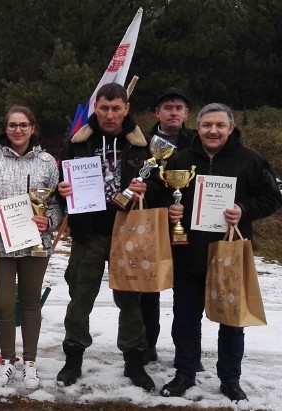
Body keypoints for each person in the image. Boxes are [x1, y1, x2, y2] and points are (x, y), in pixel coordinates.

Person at [159, 103, 282, 401]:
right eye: (207, 125)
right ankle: (185, 373)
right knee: (185, 318)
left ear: (230, 128)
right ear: (198, 127)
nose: (213, 131)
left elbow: (272, 198)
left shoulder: (251, 161)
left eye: (219, 125)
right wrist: (171, 212)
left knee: (231, 320)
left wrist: (244, 209)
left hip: (230, 254)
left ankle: (230, 378)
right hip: (189, 252)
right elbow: (163, 197)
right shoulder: (180, 160)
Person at [55, 83, 156, 391]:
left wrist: (148, 191)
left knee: (130, 299)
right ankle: (73, 357)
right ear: (94, 109)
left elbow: (161, 186)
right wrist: (63, 192)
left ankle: (134, 360)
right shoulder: (76, 142)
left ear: (126, 109)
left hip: (128, 235)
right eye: (104, 108)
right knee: (80, 297)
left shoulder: (144, 145)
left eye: (116, 108)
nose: (110, 115)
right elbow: (61, 187)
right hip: (88, 233)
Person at [0, 106, 62, 389]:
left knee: (30, 302)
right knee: (2, 303)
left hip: (35, 243)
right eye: (12, 125)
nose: (18, 130)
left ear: (33, 128)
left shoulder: (47, 162)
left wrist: (48, 220)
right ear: (6, 128)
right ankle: (7, 360)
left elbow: (57, 204)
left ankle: (31, 361)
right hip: (0, 244)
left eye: (23, 125)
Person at [140, 87, 195, 364]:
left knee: (185, 292)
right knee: (148, 291)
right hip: (150, 223)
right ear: (157, 113)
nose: (173, 112)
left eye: (178, 107)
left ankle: (186, 354)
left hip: (186, 226)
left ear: (186, 113)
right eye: (167, 107)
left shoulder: (197, 142)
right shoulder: (141, 142)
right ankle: (147, 345)